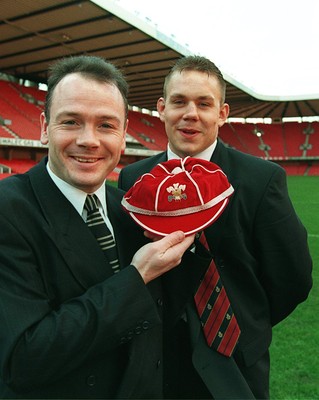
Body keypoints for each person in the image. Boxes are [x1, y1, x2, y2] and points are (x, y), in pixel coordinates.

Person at [0, 55, 196, 399]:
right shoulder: (8, 210)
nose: (89, 140)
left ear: (123, 136)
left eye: (106, 125)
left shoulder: (130, 211)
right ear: (45, 127)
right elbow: (23, 358)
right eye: (72, 122)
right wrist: (137, 278)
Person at [118, 55, 313, 399]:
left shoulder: (261, 179)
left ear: (221, 114)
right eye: (179, 101)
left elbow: (292, 278)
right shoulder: (135, 179)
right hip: (157, 357)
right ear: (162, 108)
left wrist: (246, 323)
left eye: (203, 103)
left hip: (236, 359)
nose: (190, 113)